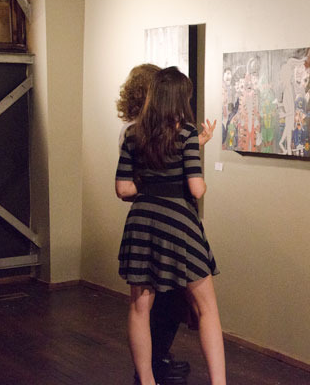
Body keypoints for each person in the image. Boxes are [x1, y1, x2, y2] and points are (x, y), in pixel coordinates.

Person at [116, 67, 225, 385]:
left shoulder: (133, 135)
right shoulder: (186, 133)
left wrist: (151, 183)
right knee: (206, 309)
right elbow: (196, 189)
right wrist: (195, 173)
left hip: (141, 224)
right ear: (180, 99)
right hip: (178, 224)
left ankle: (147, 380)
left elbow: (123, 189)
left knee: (139, 308)